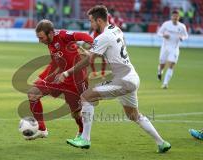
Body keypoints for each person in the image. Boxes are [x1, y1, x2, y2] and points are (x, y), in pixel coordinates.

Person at [58, 5, 171, 153]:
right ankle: (161, 143)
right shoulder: (116, 29)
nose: (90, 24)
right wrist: (90, 53)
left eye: (91, 21)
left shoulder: (103, 37)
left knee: (86, 97)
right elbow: (108, 52)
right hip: (132, 77)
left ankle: (84, 139)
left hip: (123, 79)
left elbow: (89, 61)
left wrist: (67, 72)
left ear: (99, 20)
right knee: (133, 115)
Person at [26, 19, 93, 140]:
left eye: (41, 38)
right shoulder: (50, 43)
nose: (40, 41)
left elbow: (85, 36)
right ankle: (42, 129)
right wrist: (43, 77)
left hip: (76, 80)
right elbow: (55, 63)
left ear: (50, 33)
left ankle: (82, 132)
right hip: (60, 77)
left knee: (76, 113)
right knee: (33, 93)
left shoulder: (63, 36)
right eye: (38, 38)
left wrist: (91, 49)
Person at [157, 10, 188, 89]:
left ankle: (165, 83)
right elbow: (159, 33)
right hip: (165, 48)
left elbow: (186, 36)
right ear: (171, 16)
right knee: (162, 65)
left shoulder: (182, 26)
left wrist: (182, 38)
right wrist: (164, 35)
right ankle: (159, 72)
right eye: (173, 16)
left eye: (176, 16)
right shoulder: (166, 24)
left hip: (174, 48)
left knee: (171, 65)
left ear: (179, 17)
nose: (175, 17)